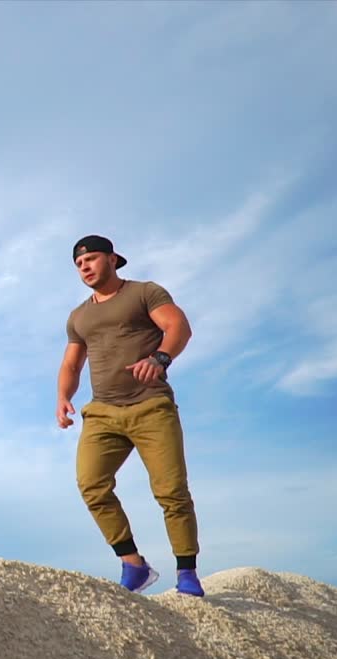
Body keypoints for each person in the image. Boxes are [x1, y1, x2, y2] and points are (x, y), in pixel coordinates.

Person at [57, 234, 205, 597]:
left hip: (151, 405)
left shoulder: (144, 293)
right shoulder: (79, 316)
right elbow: (72, 364)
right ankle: (133, 564)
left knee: (171, 492)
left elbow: (178, 327)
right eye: (79, 264)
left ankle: (186, 572)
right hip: (103, 413)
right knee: (91, 484)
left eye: (91, 259)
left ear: (112, 259)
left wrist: (160, 359)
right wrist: (63, 396)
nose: (85, 267)